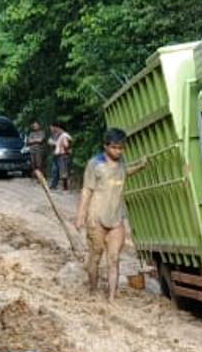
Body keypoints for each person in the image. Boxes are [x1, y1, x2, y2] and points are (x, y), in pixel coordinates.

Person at [75, 128, 147, 301]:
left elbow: (124, 172)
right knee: (96, 257)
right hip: (96, 218)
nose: (118, 151)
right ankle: (92, 290)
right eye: (114, 147)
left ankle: (111, 298)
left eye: (121, 148)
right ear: (105, 146)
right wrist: (81, 215)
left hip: (116, 219)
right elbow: (87, 190)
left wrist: (141, 166)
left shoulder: (122, 162)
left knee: (114, 259)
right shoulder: (95, 164)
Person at [49, 123, 72, 190]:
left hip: (62, 155)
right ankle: (55, 185)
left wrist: (64, 147)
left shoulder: (64, 135)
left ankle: (65, 186)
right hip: (58, 154)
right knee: (57, 170)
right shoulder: (60, 135)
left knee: (63, 170)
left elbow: (66, 145)